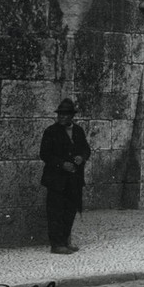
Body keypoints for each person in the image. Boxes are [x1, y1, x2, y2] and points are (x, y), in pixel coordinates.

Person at [40, 98, 92, 254]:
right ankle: (56, 244)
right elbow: (44, 154)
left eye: (65, 115)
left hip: (73, 181)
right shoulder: (50, 132)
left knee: (69, 211)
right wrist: (62, 164)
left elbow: (86, 149)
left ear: (71, 116)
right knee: (56, 212)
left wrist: (81, 157)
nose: (62, 117)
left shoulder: (78, 131)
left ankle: (65, 241)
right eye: (60, 115)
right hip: (56, 180)